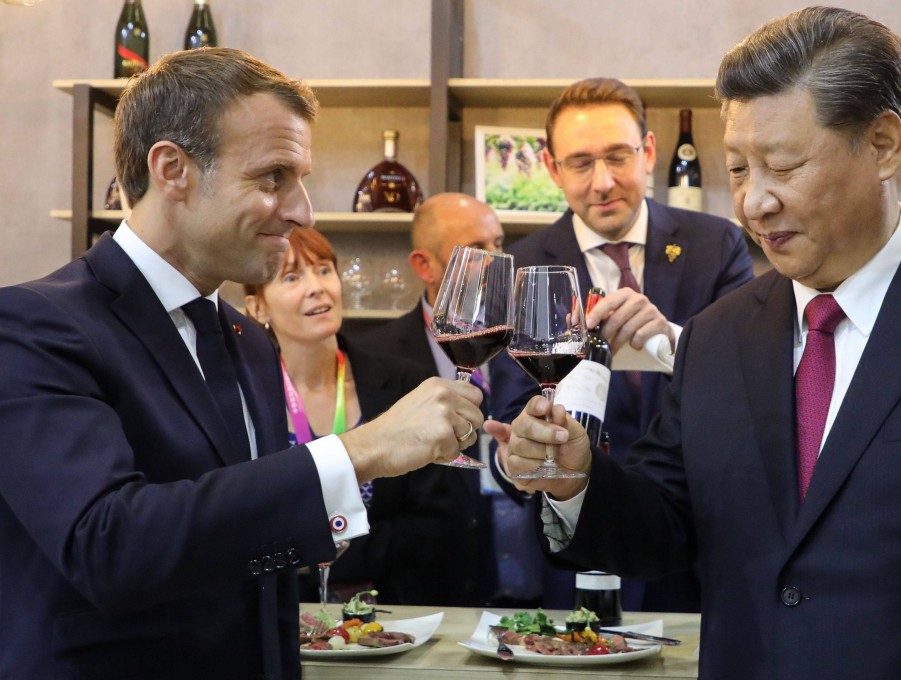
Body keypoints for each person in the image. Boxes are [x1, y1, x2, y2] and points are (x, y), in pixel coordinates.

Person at [502, 7, 901, 679]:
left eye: (784, 166)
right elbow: (665, 523)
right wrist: (574, 481)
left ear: (886, 145)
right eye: (740, 169)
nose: (754, 204)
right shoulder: (718, 336)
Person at [0, 47, 482, 679]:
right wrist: (359, 451)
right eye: (272, 177)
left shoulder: (248, 340)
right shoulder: (33, 326)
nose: (302, 210)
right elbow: (108, 545)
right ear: (172, 169)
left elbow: (253, 550)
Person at [486, 76, 754, 613]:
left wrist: (674, 342)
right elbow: (514, 413)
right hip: (580, 536)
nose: (603, 182)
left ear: (648, 151)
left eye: (617, 157)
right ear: (552, 168)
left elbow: (755, 383)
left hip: (699, 537)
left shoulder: (716, 244)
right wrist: (519, 452)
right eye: (581, 164)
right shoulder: (523, 266)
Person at [244, 227, 472, 606]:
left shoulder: (405, 383)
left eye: (323, 270)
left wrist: (309, 554)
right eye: (291, 277)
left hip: (390, 613)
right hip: (279, 614)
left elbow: (435, 524)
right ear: (258, 307)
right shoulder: (242, 396)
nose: (317, 287)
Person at [357, 191, 543, 608]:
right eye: (478, 249)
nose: (498, 262)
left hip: (542, 588)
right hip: (433, 597)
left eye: (499, 244)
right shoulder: (376, 359)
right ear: (424, 265)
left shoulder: (536, 344)